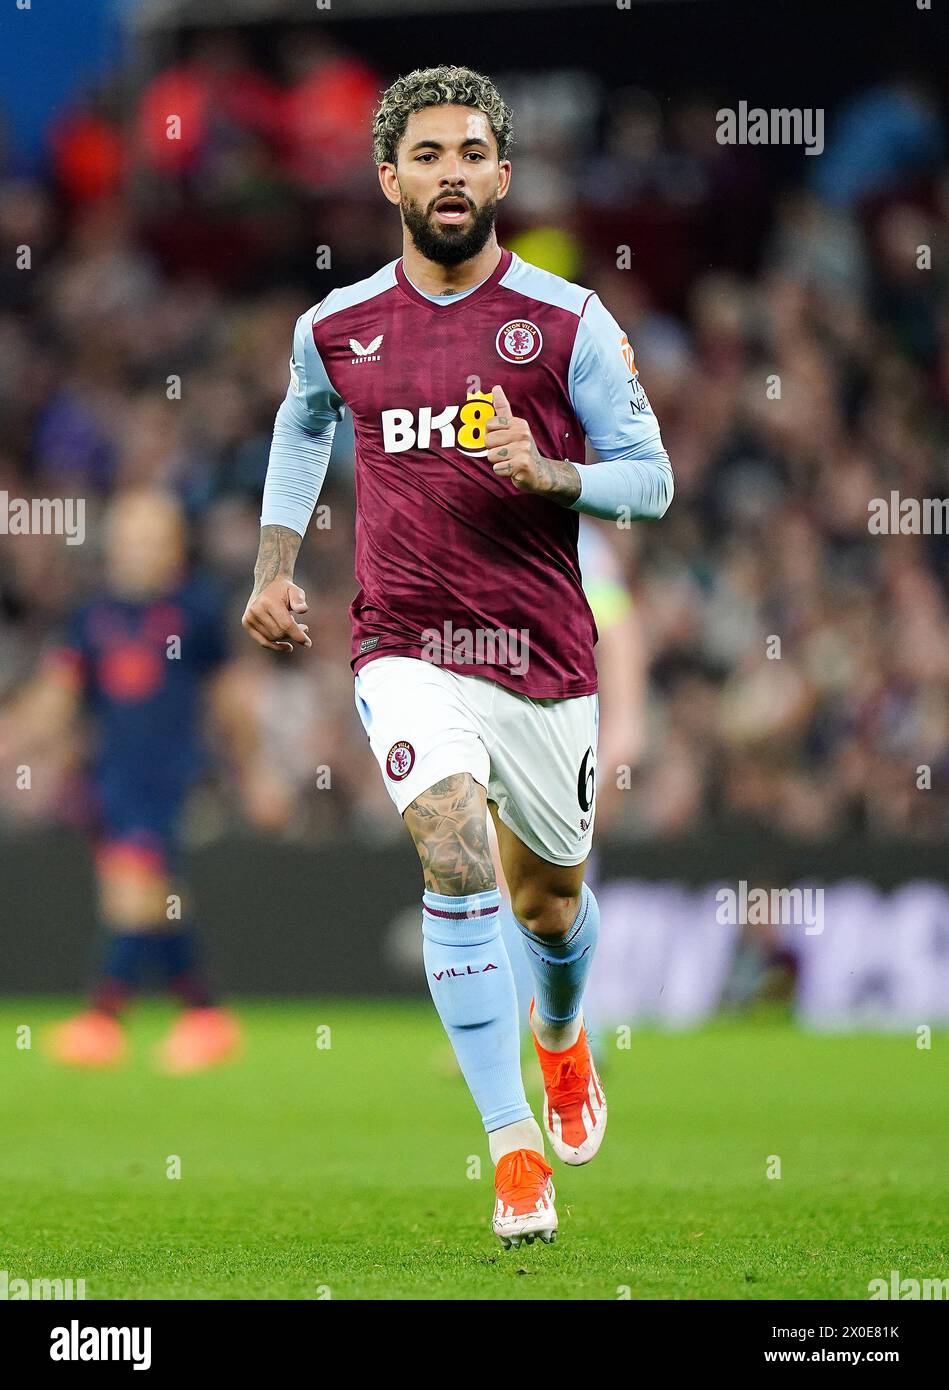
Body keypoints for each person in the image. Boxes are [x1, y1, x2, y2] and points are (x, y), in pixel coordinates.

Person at [242, 65, 673, 1248]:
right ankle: (510, 1145)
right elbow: (303, 417)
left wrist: (557, 474)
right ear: (389, 177)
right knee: (451, 851)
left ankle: (562, 1038)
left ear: (502, 174)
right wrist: (276, 562)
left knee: (550, 903)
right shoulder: (337, 328)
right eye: (426, 154)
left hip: (545, 655)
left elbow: (656, 477)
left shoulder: (570, 321)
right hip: (406, 646)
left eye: (471, 153)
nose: (450, 173)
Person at [1, 489, 246, 1072]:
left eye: (154, 538)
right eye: (132, 538)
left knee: (131, 887)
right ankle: (205, 1014)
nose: (141, 550)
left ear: (175, 546)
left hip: (173, 774)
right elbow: (59, 696)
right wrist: (13, 737)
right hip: (111, 777)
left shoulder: (197, 609)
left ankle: (102, 1018)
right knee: (157, 899)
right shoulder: (94, 616)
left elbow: (228, 699)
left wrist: (251, 769)